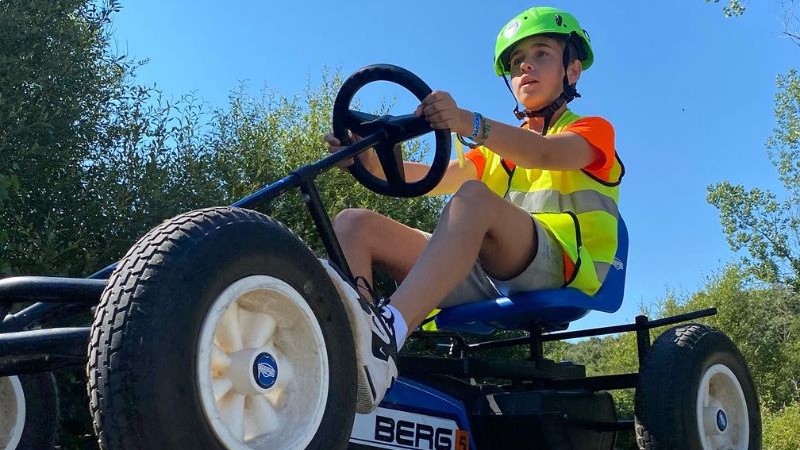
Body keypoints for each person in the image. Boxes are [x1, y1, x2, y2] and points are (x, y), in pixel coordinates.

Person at [324, 6, 623, 414]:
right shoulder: (494, 154)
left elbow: (542, 152)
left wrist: (468, 122)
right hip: (488, 271)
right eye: (517, 63)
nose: (526, 68)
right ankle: (354, 351)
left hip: (564, 266)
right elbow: (428, 178)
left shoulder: (591, 130)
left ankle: (387, 333)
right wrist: (371, 160)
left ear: (572, 71)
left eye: (541, 55)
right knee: (354, 223)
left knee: (472, 198)